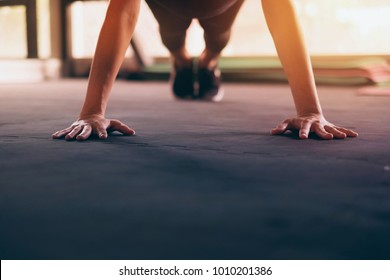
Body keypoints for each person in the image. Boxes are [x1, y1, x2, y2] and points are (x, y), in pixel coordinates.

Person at [52, 0, 358, 141]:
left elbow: (280, 11)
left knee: (218, 38)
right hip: (170, 5)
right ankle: (181, 60)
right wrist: (92, 111)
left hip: (221, 5)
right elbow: (122, 12)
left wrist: (310, 109)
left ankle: (209, 62)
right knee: (172, 37)